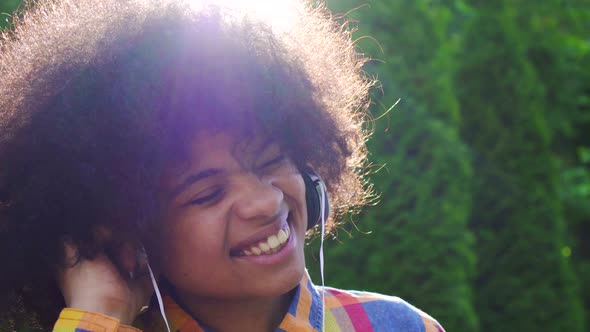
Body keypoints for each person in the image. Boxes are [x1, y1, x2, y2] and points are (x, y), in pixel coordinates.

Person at [0, 0, 445, 331]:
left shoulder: (398, 326)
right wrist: (100, 313)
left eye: (271, 162)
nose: (265, 201)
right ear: (126, 233)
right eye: (208, 193)